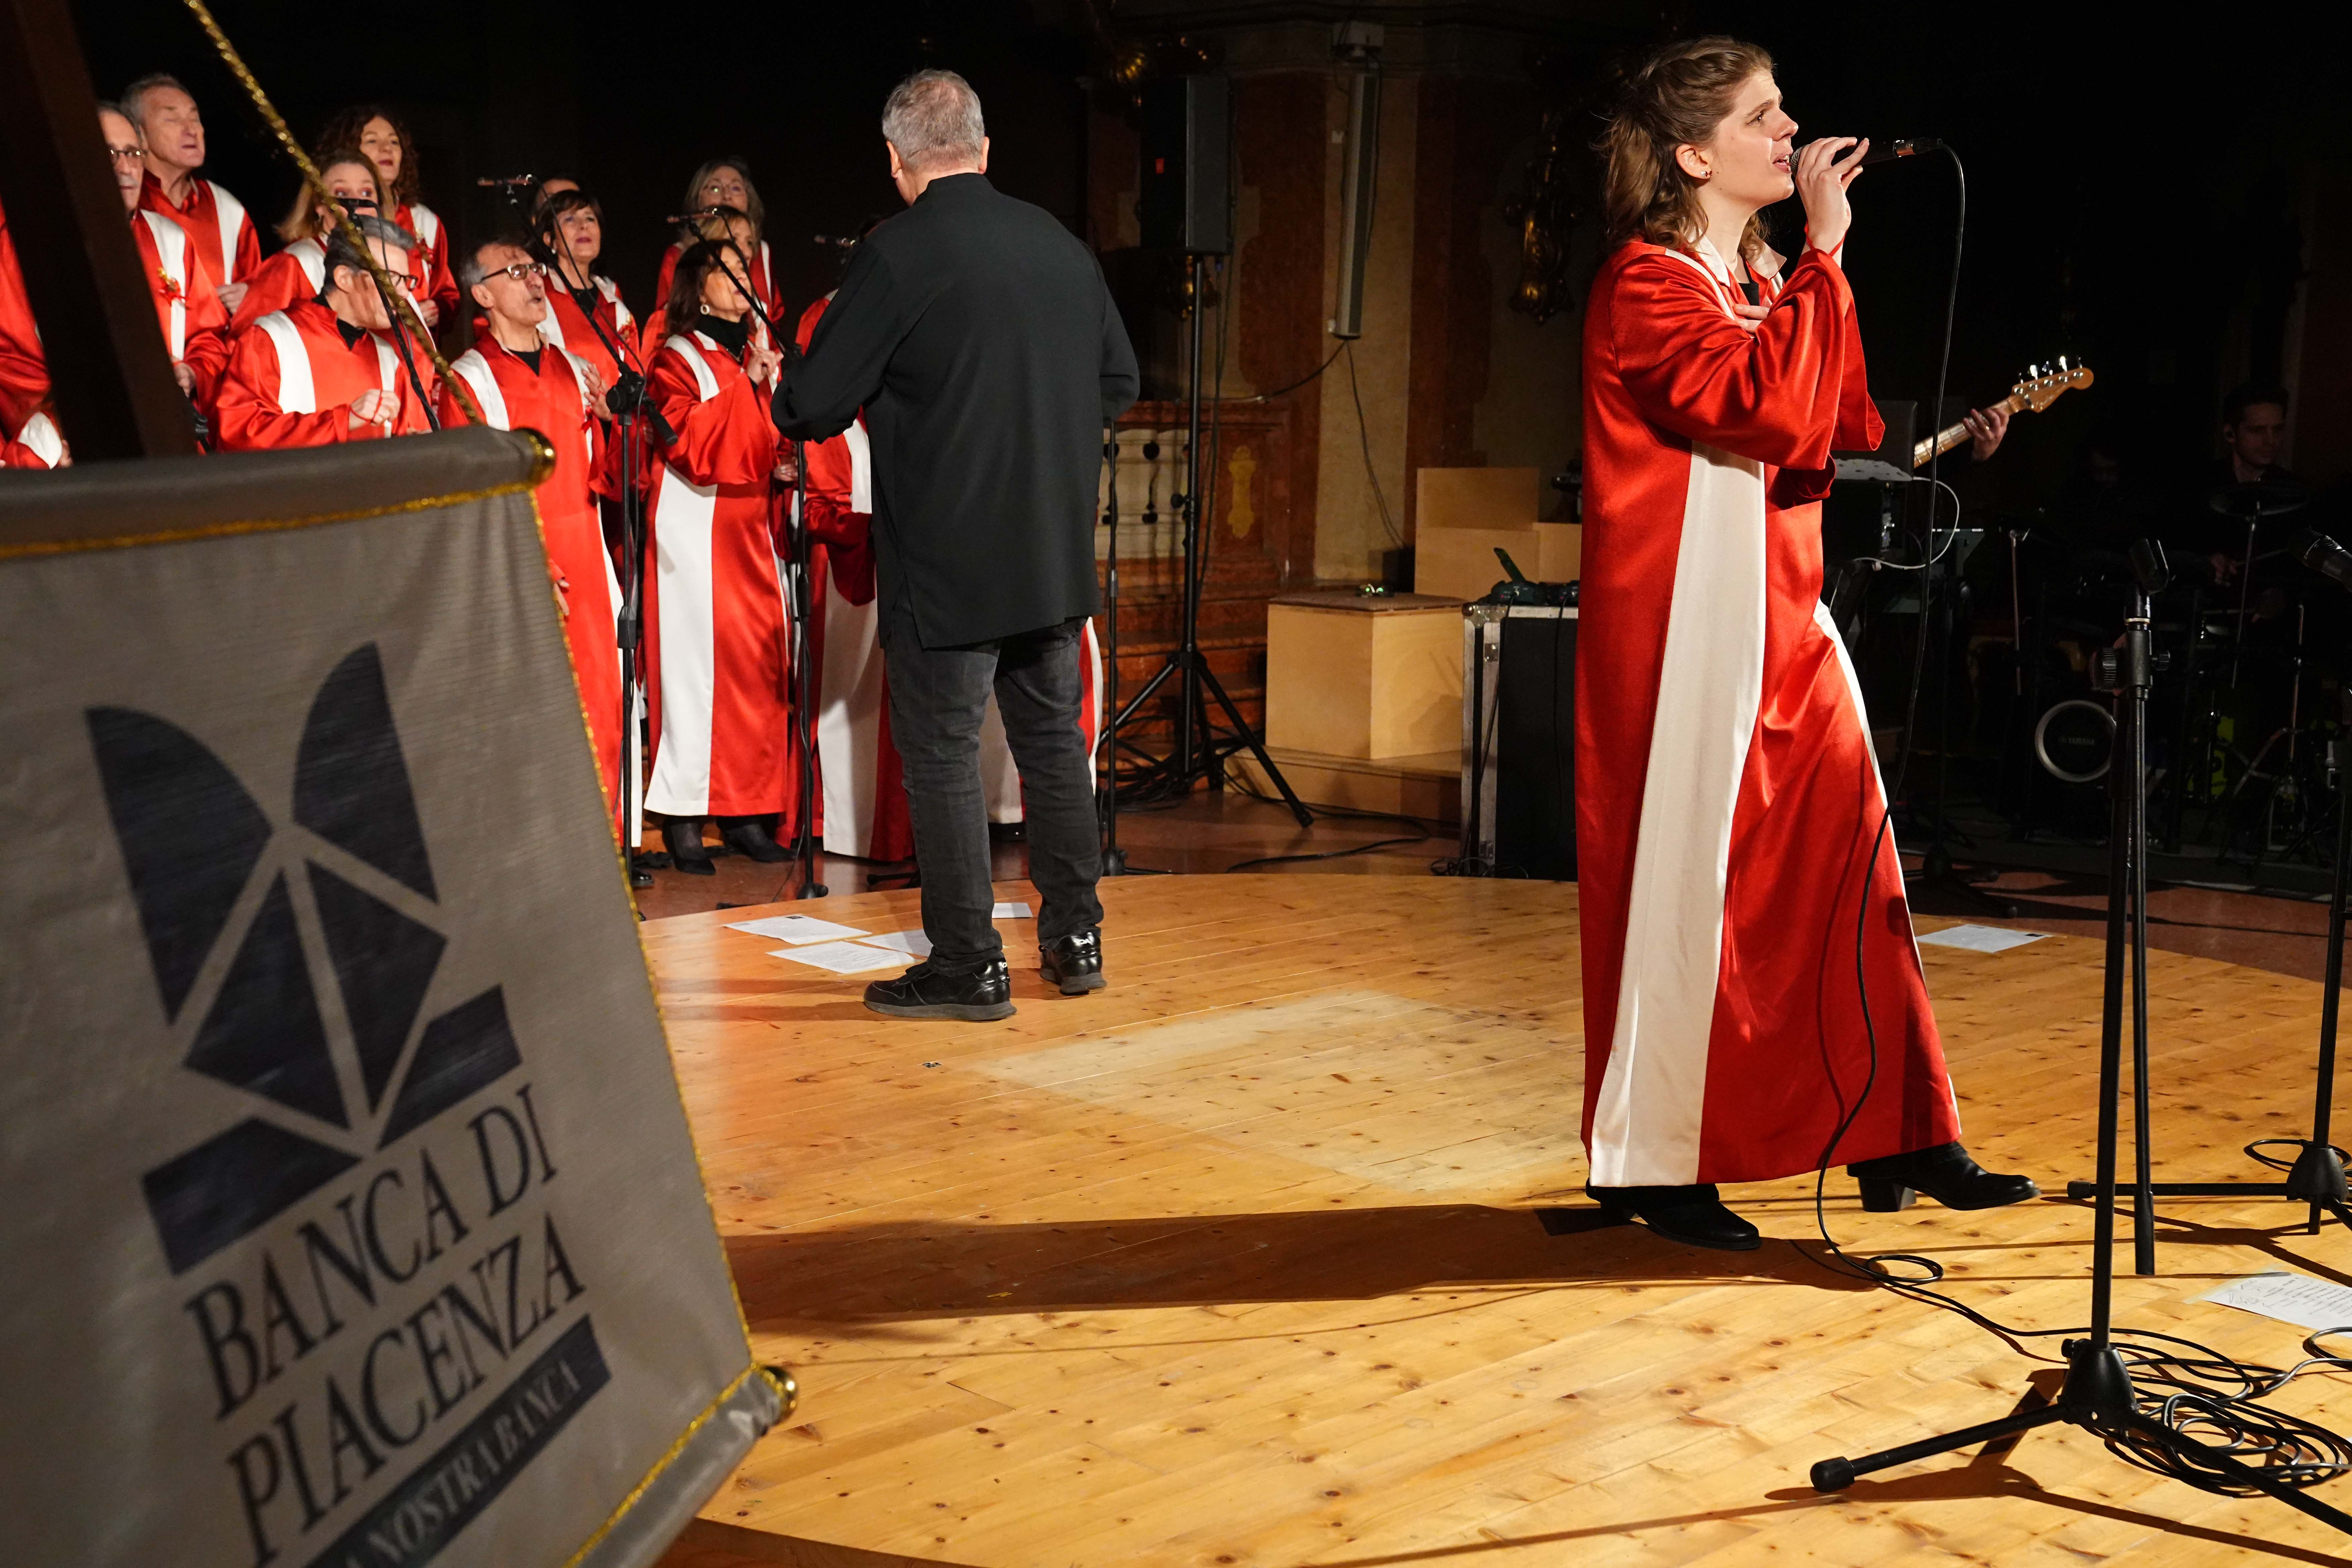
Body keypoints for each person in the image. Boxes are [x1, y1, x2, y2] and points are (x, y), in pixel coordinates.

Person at [1574, 37, 2034, 1250]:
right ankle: (1655, 1162)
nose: (1791, 133)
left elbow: (1843, 420)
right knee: (1690, 900)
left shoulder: (1761, 273)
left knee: (1852, 865)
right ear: (1692, 152)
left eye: (1785, 113)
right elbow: (1760, 411)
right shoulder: (1645, 283)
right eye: (1763, 117)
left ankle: (1899, 1122)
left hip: (1783, 606)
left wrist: (1809, 275)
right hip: (1687, 632)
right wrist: (1822, 259)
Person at [775, 68, 1139, 1022]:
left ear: (898, 161)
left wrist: (799, 373)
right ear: (984, 147)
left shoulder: (898, 254)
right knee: (1052, 750)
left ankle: (970, 966)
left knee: (940, 758)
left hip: (946, 558)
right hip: (1050, 551)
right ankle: (1076, 939)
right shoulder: (1059, 245)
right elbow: (1120, 377)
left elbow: (811, 407)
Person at [439, 238, 625, 817]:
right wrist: (523, 562)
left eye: (534, 267)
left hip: (587, 557)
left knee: (600, 704)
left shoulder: (577, 368)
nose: (533, 279)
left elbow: (606, 474)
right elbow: (469, 494)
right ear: (482, 293)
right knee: (529, 708)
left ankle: (604, 852)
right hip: (522, 558)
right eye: (514, 271)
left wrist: (610, 423)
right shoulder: (467, 381)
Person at [640, 239, 800, 873]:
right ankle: (682, 816)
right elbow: (685, 442)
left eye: (745, 271)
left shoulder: (761, 350)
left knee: (754, 670)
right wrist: (746, 386)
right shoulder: (674, 358)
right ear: (696, 285)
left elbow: (778, 437)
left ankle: (746, 813)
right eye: (724, 273)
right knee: (692, 671)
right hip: (694, 522)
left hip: (752, 527)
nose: (740, 282)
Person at [213, 216, 435, 449]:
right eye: (390, 278)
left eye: (406, 281)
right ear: (345, 279)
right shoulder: (271, 338)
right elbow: (240, 433)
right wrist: (343, 420)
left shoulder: (389, 358)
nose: (403, 294)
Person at [102, 103, 229, 411]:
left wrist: (192, 371)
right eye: (110, 153)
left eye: (133, 154)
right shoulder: (30, 239)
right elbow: (14, 355)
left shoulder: (170, 240)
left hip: (164, 423)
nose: (125, 167)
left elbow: (208, 338)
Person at [125, 74, 259, 315]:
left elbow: (256, 288)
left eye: (195, 118)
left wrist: (252, 298)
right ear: (139, 135)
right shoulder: (125, 203)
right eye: (172, 119)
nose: (191, 130)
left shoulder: (226, 209)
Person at [318, 105, 456, 331]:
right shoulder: (337, 214)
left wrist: (438, 308)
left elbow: (447, 292)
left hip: (414, 350)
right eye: (372, 141)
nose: (386, 149)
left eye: (394, 142)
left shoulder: (425, 221)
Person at [229, 152, 381, 335]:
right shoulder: (295, 264)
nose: (357, 203)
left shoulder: (389, 264)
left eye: (367, 192)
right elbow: (249, 340)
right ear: (319, 205)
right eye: (342, 193)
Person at [530, 181, 640, 394]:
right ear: (549, 240)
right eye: (570, 219)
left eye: (590, 219)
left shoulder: (614, 305)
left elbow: (636, 379)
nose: (584, 226)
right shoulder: (537, 294)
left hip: (613, 422)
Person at [651, 158, 776, 321]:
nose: (726, 197)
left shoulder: (761, 253)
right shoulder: (680, 256)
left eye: (736, 188)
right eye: (715, 189)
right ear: (697, 200)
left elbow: (774, 319)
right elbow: (667, 322)